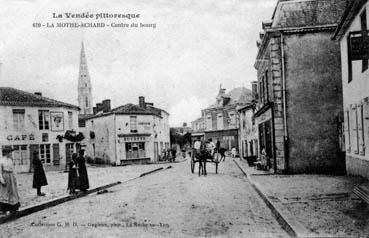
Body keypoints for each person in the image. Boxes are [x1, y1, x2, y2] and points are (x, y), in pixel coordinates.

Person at [0, 146, 20, 214]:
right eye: (9, 152)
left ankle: (13, 208)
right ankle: (4, 209)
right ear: (6, 153)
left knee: (13, 192)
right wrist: (1, 179)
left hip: (11, 177)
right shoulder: (1, 160)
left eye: (10, 152)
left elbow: (13, 170)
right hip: (5, 176)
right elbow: (0, 171)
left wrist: (14, 177)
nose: (10, 154)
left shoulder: (10, 160)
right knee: (4, 193)